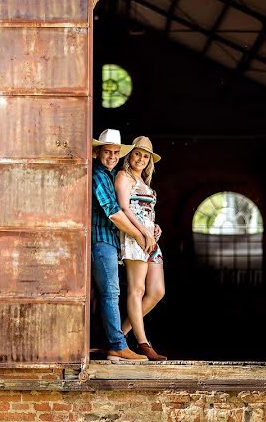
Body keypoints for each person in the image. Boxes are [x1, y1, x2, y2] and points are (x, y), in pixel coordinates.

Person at [91, 129, 155, 362]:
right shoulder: (98, 175)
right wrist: (139, 235)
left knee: (109, 293)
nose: (112, 156)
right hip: (101, 240)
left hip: (110, 242)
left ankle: (113, 344)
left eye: (116, 152)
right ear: (97, 152)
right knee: (111, 293)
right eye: (107, 151)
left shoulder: (109, 175)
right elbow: (115, 214)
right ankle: (118, 346)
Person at [116, 136, 167, 361]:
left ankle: (118, 335)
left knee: (156, 291)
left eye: (145, 156)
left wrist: (154, 228)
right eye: (137, 154)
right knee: (136, 290)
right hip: (134, 237)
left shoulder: (145, 183)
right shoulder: (123, 177)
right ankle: (143, 343)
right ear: (130, 155)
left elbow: (146, 211)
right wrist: (143, 232)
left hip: (150, 239)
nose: (141, 159)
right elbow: (125, 209)